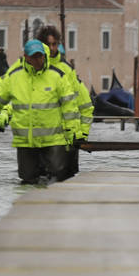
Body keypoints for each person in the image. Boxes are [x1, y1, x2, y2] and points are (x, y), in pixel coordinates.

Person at [0, 39, 80, 184]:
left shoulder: (57, 76)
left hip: (53, 140)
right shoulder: (14, 77)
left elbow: (70, 107)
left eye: (40, 56)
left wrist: (73, 133)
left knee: (57, 179)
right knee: (27, 180)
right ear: (26, 57)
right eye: (33, 57)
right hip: (25, 142)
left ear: (44, 56)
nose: (37, 60)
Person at [38, 26, 91, 177]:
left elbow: (85, 104)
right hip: (41, 137)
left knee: (66, 177)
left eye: (54, 44)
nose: (52, 48)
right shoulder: (32, 69)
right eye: (48, 44)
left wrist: (82, 134)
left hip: (67, 135)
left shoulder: (66, 69)